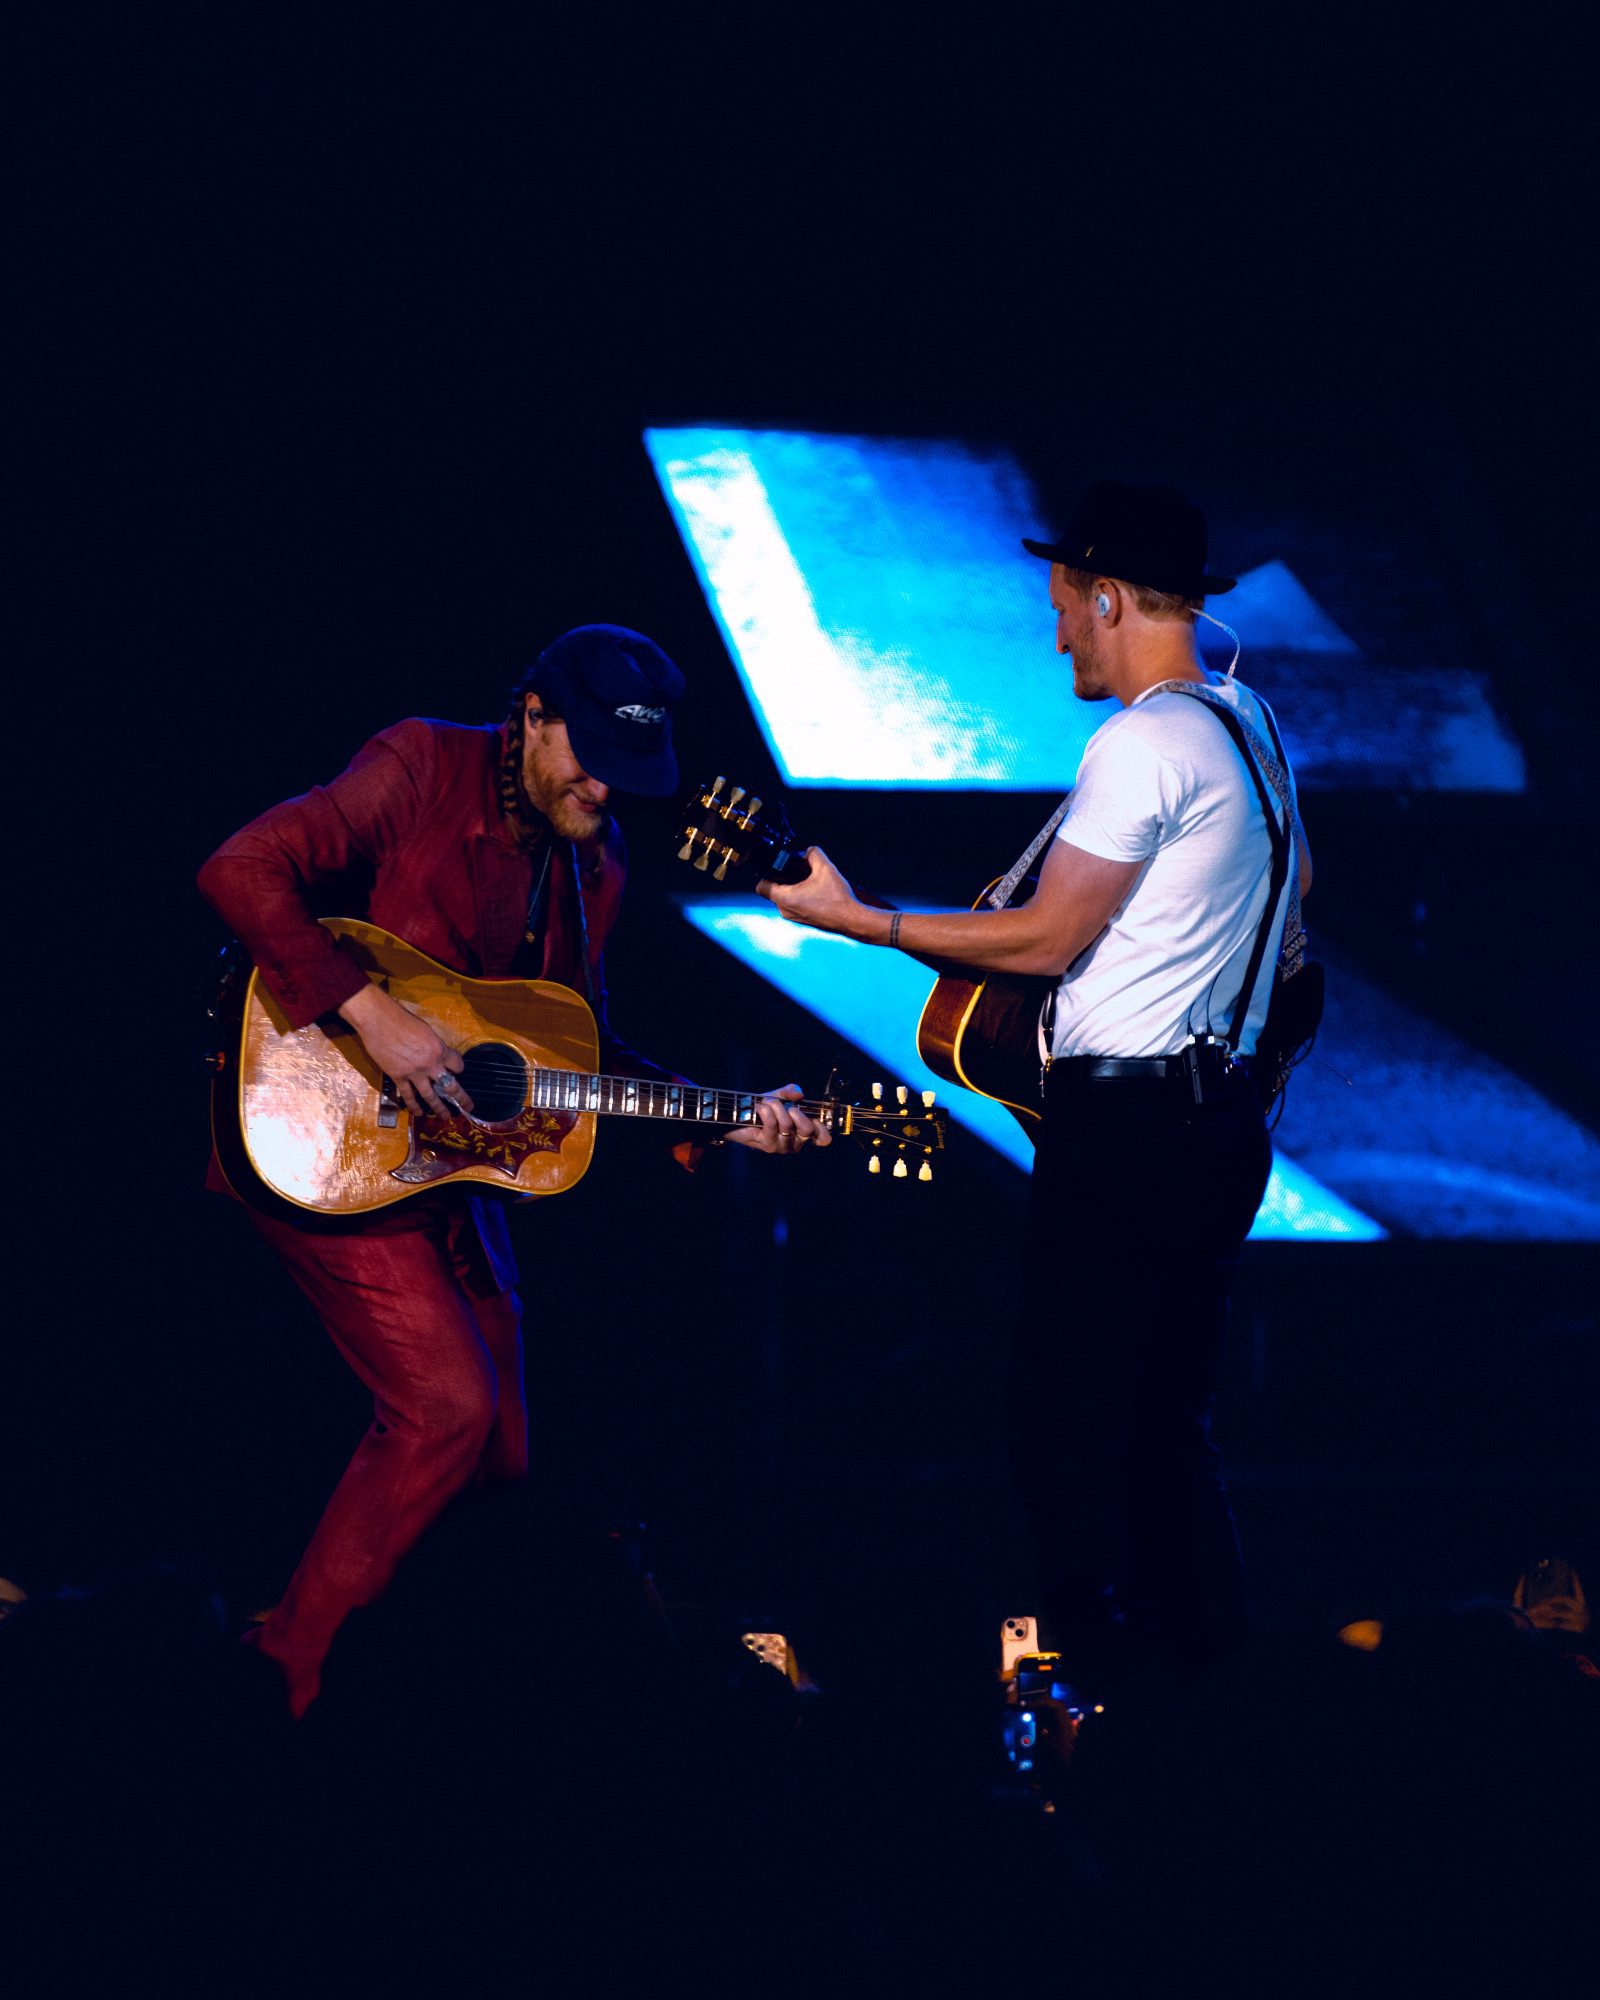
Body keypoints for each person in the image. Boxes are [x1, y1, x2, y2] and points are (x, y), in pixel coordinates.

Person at [199, 624, 826, 1715]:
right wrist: (372, 1013)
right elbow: (238, 868)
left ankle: (432, 1702)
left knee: (500, 1451)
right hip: (325, 1123)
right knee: (446, 1404)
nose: (602, 788)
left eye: (624, 770)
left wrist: (723, 1118)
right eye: (587, 755)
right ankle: (282, 1689)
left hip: (447, 1169)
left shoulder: (597, 862)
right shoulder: (421, 765)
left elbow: (576, 1052)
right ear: (532, 714)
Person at [760, 483, 1312, 1703]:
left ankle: (1115, 1717)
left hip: (1127, 1129)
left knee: (1064, 1439)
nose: (1057, 632)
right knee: (1165, 1437)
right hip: (1215, 1127)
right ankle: (1211, 1714)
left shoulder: (1142, 742)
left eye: (1064, 605)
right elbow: (1297, 888)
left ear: (1108, 598)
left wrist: (858, 919)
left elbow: (1049, 936)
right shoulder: (1247, 722)